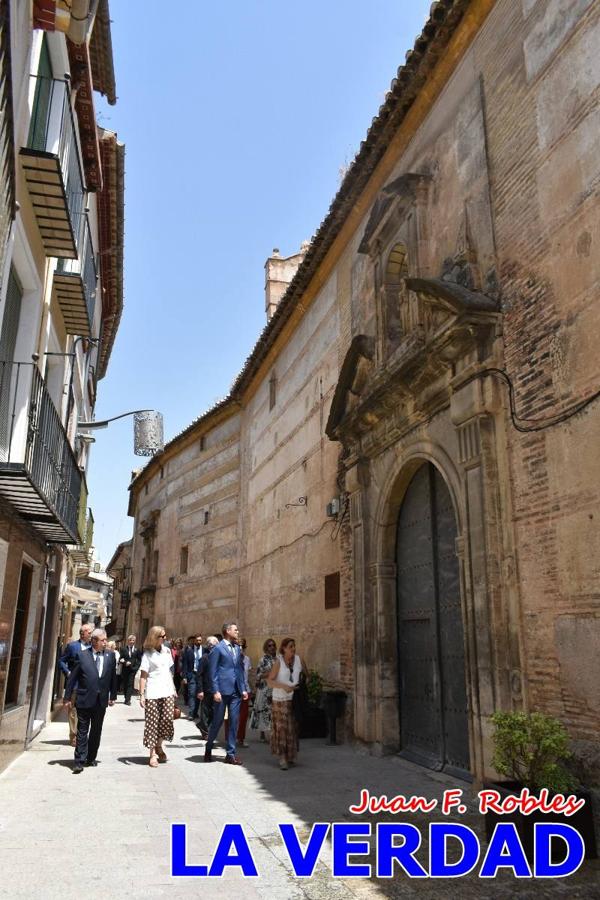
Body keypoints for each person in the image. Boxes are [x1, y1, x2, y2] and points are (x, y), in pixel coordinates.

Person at [63, 628, 117, 773]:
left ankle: (91, 757)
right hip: (84, 699)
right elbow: (73, 677)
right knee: (82, 730)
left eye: (106, 640)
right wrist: (67, 697)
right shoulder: (82, 655)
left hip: (101, 701)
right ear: (94, 641)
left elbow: (112, 677)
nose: (105, 642)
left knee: (96, 730)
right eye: (103, 640)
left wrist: (113, 696)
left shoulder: (110, 656)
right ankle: (79, 761)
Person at [204, 622, 247, 765]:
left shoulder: (237, 648)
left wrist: (244, 688)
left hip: (236, 691)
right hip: (222, 691)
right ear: (228, 631)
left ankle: (230, 754)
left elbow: (240, 670)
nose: (238, 632)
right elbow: (212, 671)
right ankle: (209, 746)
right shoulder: (218, 649)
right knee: (218, 721)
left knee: (234, 721)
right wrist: (215, 690)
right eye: (236, 629)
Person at [139, 625, 177, 767]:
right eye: (162, 636)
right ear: (155, 637)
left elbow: (169, 672)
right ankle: (152, 754)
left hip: (167, 691)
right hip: (153, 692)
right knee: (152, 723)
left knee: (167, 719)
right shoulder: (147, 654)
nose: (165, 638)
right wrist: (141, 695)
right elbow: (143, 676)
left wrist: (173, 688)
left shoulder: (167, 651)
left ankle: (159, 745)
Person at [267, 637, 307, 770]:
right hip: (280, 701)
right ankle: (282, 757)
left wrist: (301, 685)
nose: (293, 649)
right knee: (282, 729)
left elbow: (306, 675)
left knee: (293, 728)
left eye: (294, 646)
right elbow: (270, 681)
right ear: (284, 648)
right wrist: (283, 686)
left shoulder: (299, 660)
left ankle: (290, 755)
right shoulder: (279, 662)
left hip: (294, 700)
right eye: (290, 646)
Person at [58, 623, 93, 746]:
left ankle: (82, 735)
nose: (91, 634)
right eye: (89, 632)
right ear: (82, 633)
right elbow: (61, 661)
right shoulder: (72, 647)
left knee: (84, 711)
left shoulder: (92, 648)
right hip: (75, 685)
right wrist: (68, 672)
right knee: (73, 712)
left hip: (87, 686)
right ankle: (73, 736)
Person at [225, 637, 251, 748]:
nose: (240, 648)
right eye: (237, 645)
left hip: (245, 690)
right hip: (232, 690)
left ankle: (241, 738)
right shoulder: (229, 658)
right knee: (230, 716)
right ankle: (229, 739)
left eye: (242, 646)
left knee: (243, 716)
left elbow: (247, 676)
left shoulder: (247, 660)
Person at [250, 638, 277, 742]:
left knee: (273, 711)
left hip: (275, 688)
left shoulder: (278, 659)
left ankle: (273, 734)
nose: (272, 647)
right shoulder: (263, 660)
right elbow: (258, 675)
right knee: (263, 710)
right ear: (266, 647)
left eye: (273, 645)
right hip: (264, 688)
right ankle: (262, 733)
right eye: (269, 645)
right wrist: (269, 674)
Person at [195, 635, 218, 738]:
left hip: (215, 689)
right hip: (206, 688)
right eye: (211, 645)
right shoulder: (204, 658)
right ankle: (205, 731)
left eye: (214, 645)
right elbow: (199, 675)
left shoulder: (218, 657)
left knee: (213, 711)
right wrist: (200, 690)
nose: (212, 647)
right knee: (205, 711)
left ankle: (202, 726)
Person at [182, 633, 203, 720]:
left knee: (198, 694)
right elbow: (185, 664)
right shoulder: (189, 650)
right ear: (194, 641)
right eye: (197, 640)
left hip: (201, 675)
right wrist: (184, 676)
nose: (198, 642)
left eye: (200, 640)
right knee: (191, 693)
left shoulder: (204, 650)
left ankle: (195, 712)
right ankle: (191, 713)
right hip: (192, 674)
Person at [119, 634, 142, 705]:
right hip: (125, 669)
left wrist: (136, 668)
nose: (132, 642)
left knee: (130, 684)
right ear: (128, 641)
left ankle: (128, 700)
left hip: (133, 670)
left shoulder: (137, 650)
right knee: (125, 684)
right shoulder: (123, 649)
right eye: (130, 640)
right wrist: (125, 662)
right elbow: (120, 659)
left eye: (133, 640)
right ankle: (126, 697)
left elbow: (139, 660)